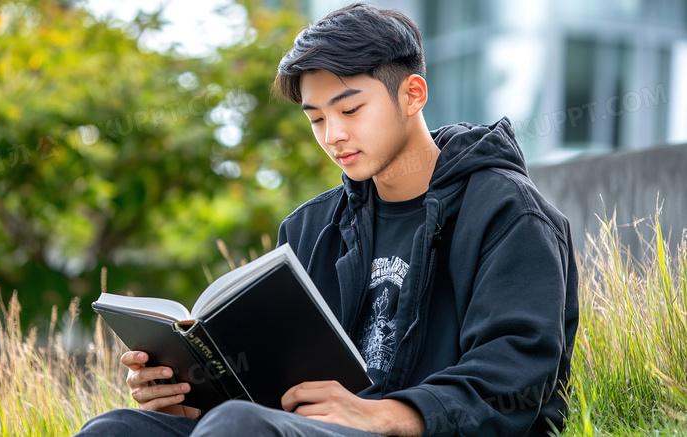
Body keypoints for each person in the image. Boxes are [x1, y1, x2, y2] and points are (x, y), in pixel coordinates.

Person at [75, 2, 578, 436]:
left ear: (412, 95)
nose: (333, 135)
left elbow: (517, 378)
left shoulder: (507, 212)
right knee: (114, 428)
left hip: (417, 430)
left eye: (350, 109)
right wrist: (193, 401)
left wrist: (382, 414)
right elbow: (275, 397)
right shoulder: (311, 229)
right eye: (316, 118)